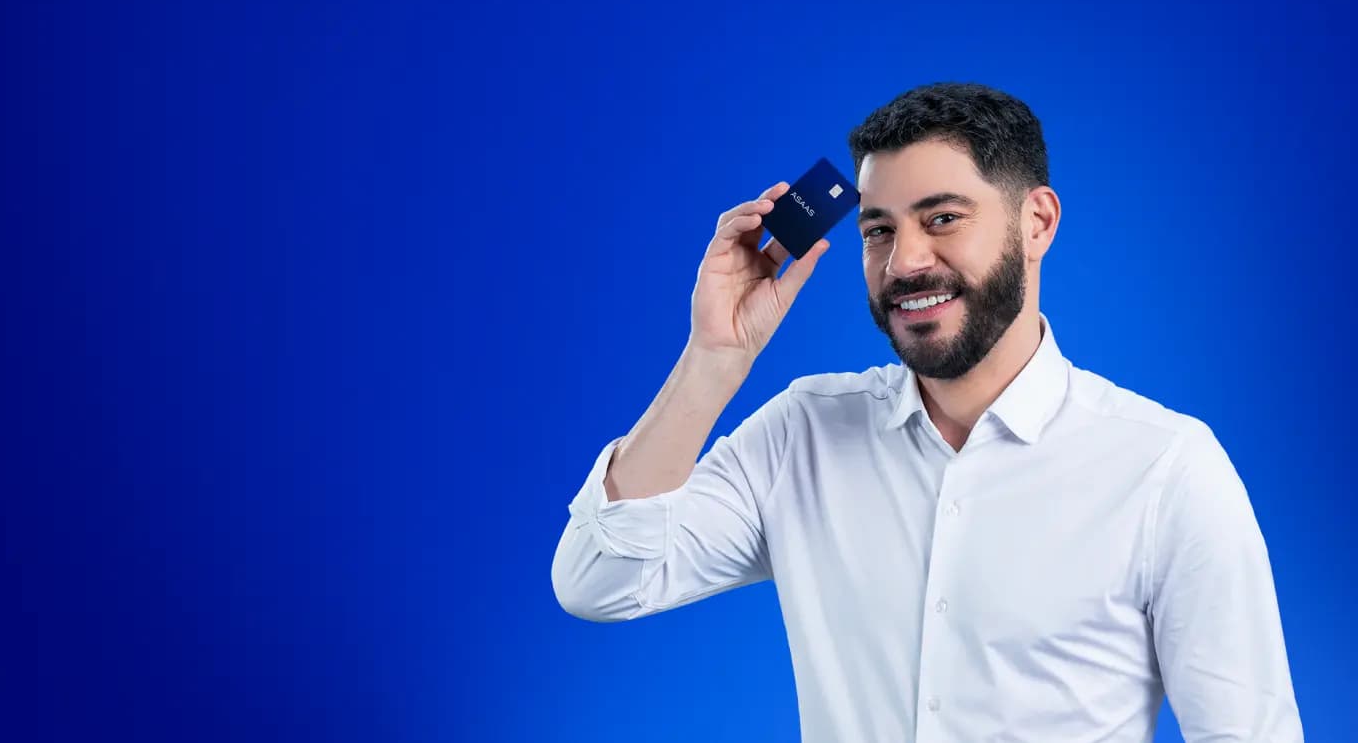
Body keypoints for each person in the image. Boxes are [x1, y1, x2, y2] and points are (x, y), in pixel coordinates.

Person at [550, 82, 1303, 741]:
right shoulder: (804, 434)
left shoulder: (1166, 469)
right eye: (879, 229)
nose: (905, 261)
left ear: (1036, 223)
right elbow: (599, 579)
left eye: (942, 218)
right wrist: (714, 360)